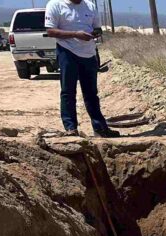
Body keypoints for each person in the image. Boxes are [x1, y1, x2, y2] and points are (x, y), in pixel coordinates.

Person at [44, 0, 119, 137]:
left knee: (91, 93)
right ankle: (71, 128)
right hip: (67, 51)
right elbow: (50, 31)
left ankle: (100, 128)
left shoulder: (90, 6)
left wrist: (95, 33)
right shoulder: (55, 4)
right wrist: (75, 34)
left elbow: (98, 28)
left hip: (89, 54)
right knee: (68, 91)